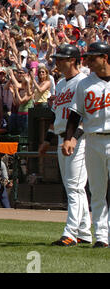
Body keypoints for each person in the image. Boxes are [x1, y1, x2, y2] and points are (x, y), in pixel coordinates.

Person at [39, 44, 92, 246]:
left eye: (61, 59)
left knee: (74, 186)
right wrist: (47, 140)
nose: (57, 62)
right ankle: (85, 233)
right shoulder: (60, 83)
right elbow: (56, 116)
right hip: (62, 136)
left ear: (73, 60)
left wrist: (74, 138)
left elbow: (85, 117)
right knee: (75, 187)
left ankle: (70, 232)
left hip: (78, 139)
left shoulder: (83, 82)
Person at [62, 41, 110, 249]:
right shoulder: (85, 83)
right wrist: (68, 137)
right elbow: (75, 114)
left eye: (93, 57)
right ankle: (101, 236)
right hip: (92, 139)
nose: (88, 61)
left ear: (105, 58)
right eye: (87, 57)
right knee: (97, 191)